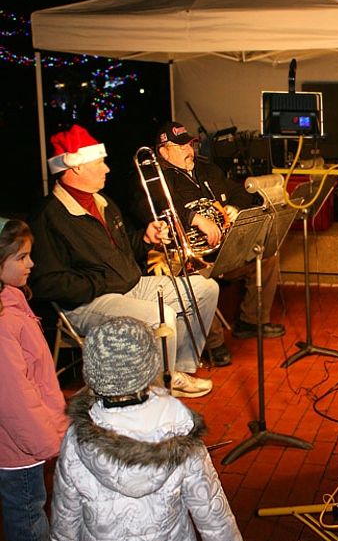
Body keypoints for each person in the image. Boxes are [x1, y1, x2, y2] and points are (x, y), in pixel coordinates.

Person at [28, 124, 215, 398]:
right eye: (100, 162)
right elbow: (47, 283)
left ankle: (176, 368)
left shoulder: (102, 202)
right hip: (87, 303)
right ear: (76, 168)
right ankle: (158, 389)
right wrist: (102, 281)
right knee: (160, 315)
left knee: (204, 289)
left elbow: (125, 248)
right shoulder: (48, 216)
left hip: (126, 284)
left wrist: (147, 238)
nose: (107, 169)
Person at [50, 316, 244, 541]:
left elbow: (66, 510)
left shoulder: (79, 435)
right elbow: (204, 495)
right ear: (149, 367)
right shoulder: (177, 422)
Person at [134, 121, 286, 361]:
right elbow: (150, 208)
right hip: (188, 259)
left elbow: (238, 191)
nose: (189, 150)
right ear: (163, 151)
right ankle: (213, 343)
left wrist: (234, 207)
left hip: (222, 250)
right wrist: (195, 218)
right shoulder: (152, 177)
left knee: (266, 255)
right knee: (195, 280)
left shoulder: (207, 169)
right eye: (180, 146)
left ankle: (251, 321)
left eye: (190, 144)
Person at [0, 217, 68, 541]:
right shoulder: (3, 321)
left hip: (23, 441)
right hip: (19, 448)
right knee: (26, 516)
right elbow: (13, 398)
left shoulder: (11, 304)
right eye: (22, 257)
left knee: (28, 510)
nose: (31, 264)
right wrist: (48, 442)